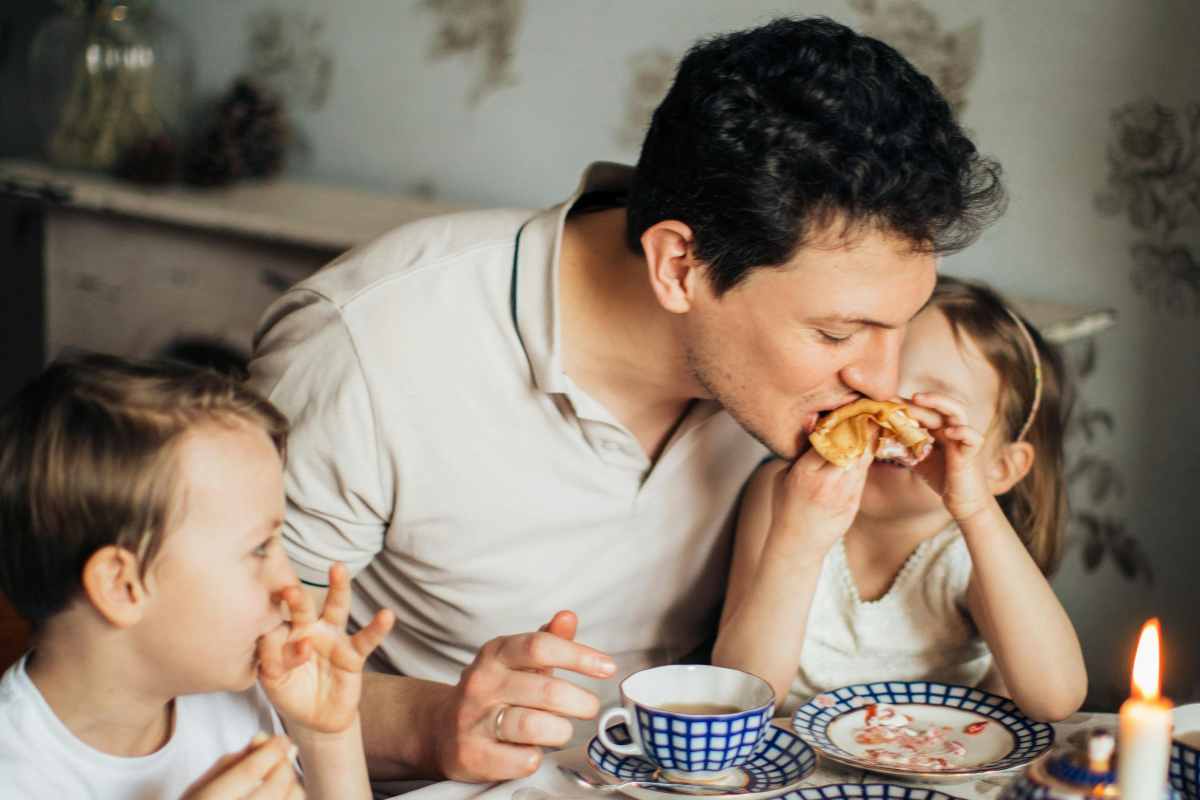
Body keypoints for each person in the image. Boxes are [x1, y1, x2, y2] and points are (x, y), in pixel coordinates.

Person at [247, 16, 1006, 782]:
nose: (881, 379)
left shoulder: (789, 388)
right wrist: (432, 722)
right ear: (679, 265)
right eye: (839, 333)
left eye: (897, 329)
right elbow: (225, 674)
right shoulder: (366, 348)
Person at [0, 354, 394, 798]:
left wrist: (326, 737)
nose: (291, 587)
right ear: (121, 586)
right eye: (259, 548)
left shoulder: (233, 696)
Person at [712, 276, 1087, 721]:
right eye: (877, 393)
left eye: (934, 407)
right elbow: (739, 696)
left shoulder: (971, 549)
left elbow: (1055, 698)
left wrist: (976, 509)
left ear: (1000, 468)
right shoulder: (785, 494)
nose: (891, 419)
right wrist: (796, 543)